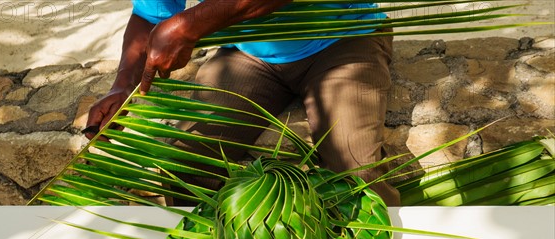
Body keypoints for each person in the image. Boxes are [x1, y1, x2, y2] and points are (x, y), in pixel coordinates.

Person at [85, 0, 400, 206]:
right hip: (248, 53)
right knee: (185, 166)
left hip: (342, 37)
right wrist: (123, 85)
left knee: (358, 176)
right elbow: (149, 14)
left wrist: (188, 24)